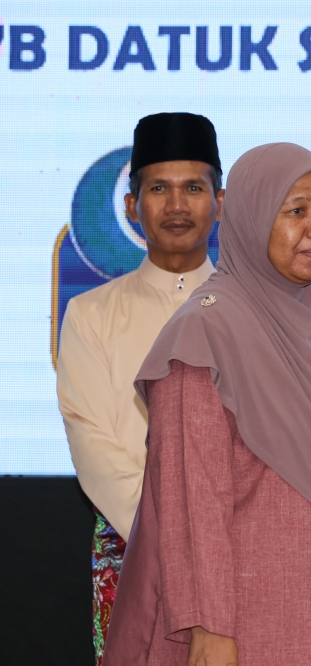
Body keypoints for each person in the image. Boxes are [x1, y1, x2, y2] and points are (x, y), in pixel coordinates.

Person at [103, 143, 311, 666]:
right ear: (251, 216)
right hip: (245, 622)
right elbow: (193, 500)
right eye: (295, 211)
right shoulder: (204, 334)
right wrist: (210, 627)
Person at [57, 112, 224, 665]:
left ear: (220, 203)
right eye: (158, 189)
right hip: (130, 549)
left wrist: (221, 545)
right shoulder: (90, 315)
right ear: (131, 205)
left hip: (239, 552)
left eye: (193, 188)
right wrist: (174, 543)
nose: (177, 205)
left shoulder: (253, 313)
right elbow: (94, 447)